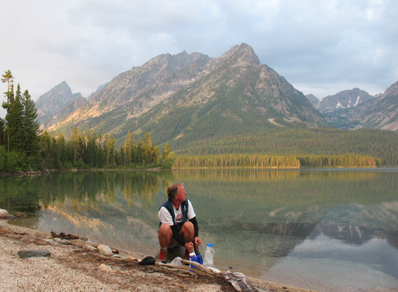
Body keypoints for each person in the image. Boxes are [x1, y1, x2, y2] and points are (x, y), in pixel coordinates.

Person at [157, 183, 202, 262]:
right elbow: (173, 230)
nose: (186, 193)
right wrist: (185, 244)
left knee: (190, 225)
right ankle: (163, 253)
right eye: (183, 192)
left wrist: (196, 237)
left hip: (181, 236)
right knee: (164, 228)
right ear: (176, 196)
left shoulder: (186, 203)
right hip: (170, 239)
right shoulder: (165, 209)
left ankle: (188, 253)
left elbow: (194, 221)